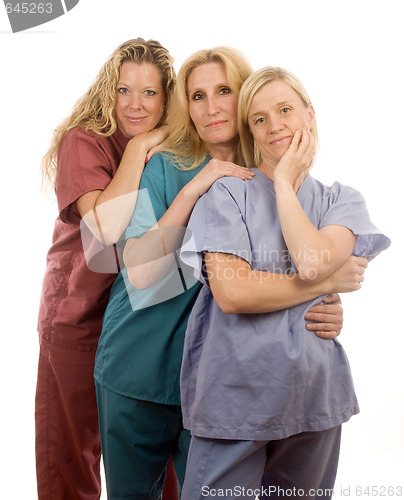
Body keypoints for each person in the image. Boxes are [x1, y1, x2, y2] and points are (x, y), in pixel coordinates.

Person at [94, 48, 352, 500]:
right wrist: (196, 187)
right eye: (197, 96)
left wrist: (325, 302)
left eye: (224, 91)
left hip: (218, 386)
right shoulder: (165, 167)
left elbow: (295, 264)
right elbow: (140, 272)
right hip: (139, 368)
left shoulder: (279, 179)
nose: (210, 107)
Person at [179, 66, 391, 499]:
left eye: (285, 110)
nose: (275, 125)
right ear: (250, 132)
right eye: (259, 119)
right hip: (233, 401)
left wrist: (283, 186)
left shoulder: (340, 199)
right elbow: (234, 293)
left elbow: (311, 261)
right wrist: (328, 281)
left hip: (313, 402)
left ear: (309, 115)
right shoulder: (226, 194)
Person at [36, 38, 177, 500]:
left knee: (158, 460)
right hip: (79, 318)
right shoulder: (85, 140)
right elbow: (107, 224)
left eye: (150, 93)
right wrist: (140, 146)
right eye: (124, 90)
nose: (135, 105)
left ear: (166, 97)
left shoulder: (176, 149)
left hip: (143, 325)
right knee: (70, 456)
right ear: (107, 92)